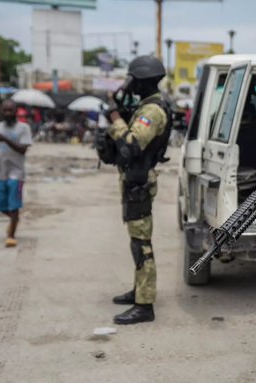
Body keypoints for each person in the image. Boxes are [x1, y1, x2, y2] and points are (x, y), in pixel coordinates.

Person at [97, 55, 172, 325]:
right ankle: (140, 290)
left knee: (142, 245)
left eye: (133, 81)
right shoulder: (145, 107)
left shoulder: (152, 111)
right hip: (134, 180)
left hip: (139, 182)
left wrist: (116, 118)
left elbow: (131, 144)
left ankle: (145, 304)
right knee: (137, 241)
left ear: (143, 81)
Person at [0, 100, 33, 248]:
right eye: (5, 110)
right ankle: (14, 219)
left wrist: (5, 139)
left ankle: (11, 235)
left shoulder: (24, 128)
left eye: (11, 110)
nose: (7, 113)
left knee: (14, 204)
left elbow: (23, 149)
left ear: (16, 112)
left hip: (17, 173)